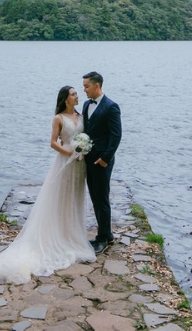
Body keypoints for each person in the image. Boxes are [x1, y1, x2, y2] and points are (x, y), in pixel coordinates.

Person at [0, 86, 95, 284]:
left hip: (79, 164)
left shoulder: (81, 116)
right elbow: (52, 143)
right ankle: (58, 235)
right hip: (65, 161)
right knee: (62, 196)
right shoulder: (58, 118)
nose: (77, 96)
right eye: (74, 94)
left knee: (75, 196)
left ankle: (73, 233)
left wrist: (82, 150)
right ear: (65, 99)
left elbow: (85, 137)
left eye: (77, 93)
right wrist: (70, 152)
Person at [81, 71, 121, 254]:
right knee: (95, 198)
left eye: (86, 86)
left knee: (102, 198)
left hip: (102, 161)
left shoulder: (111, 107)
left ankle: (103, 237)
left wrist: (105, 159)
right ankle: (106, 234)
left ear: (97, 85)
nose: (84, 90)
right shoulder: (86, 105)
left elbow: (116, 135)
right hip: (88, 159)